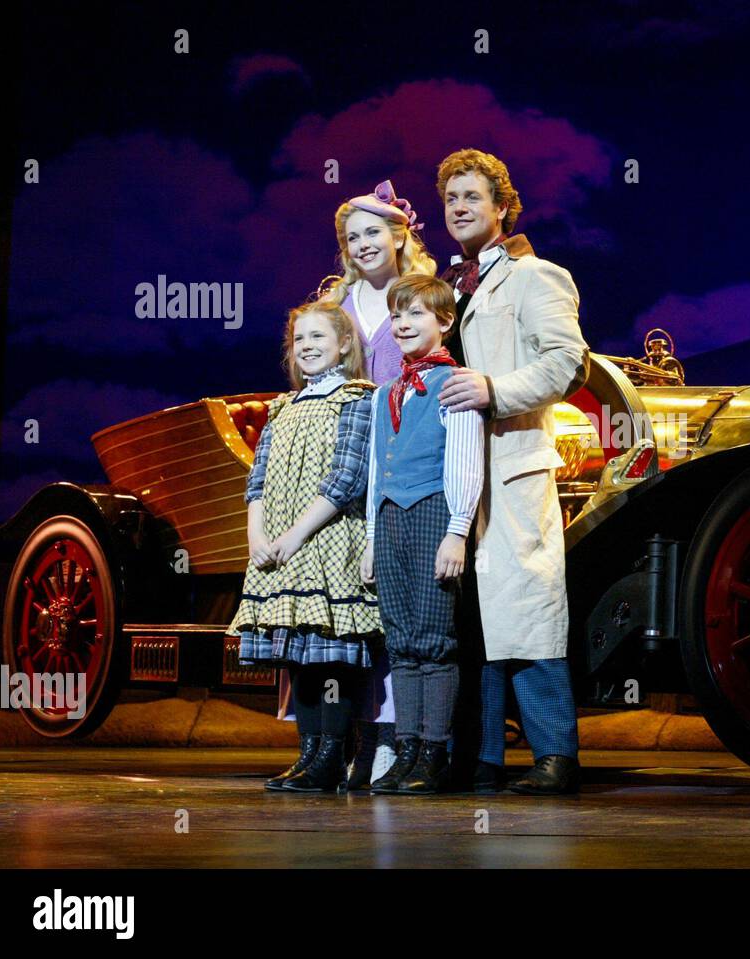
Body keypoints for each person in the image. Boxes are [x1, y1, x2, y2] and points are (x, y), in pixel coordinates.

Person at [435, 148, 589, 794]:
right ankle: (483, 758)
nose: (460, 208)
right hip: (459, 472)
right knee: (475, 619)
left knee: (525, 611)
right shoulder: (451, 286)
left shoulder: (534, 277)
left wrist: (492, 388)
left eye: (472, 196)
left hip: (513, 466)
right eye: (451, 199)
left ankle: (555, 755)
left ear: (503, 207)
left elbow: (568, 362)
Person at [314, 179, 436, 787]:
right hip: (340, 463)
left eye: (372, 232)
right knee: (336, 611)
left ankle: (390, 740)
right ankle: (331, 741)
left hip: (398, 464)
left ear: (399, 236)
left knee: (391, 610)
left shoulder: (419, 304)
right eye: (351, 236)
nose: (362, 244)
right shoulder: (336, 308)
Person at [229, 301, 380, 792]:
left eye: (318, 337)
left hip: (326, 543)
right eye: (299, 340)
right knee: (300, 657)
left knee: (328, 654)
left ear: (343, 345)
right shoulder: (282, 408)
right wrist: (258, 536)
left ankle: (332, 757)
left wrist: (295, 535)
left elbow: (348, 477)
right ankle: (308, 754)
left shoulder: (356, 400)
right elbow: (257, 480)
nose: (307, 347)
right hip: (277, 546)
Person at [362, 274, 484, 794]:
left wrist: (457, 531)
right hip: (390, 519)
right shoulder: (385, 393)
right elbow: (374, 473)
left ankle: (434, 754)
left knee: (434, 642)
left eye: (415, 314)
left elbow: (464, 461)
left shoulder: (454, 383)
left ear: (444, 322)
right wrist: (370, 538)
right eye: (397, 315)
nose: (404, 323)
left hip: (434, 512)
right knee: (403, 642)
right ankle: (406, 750)